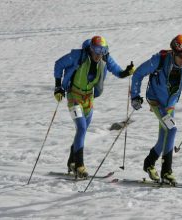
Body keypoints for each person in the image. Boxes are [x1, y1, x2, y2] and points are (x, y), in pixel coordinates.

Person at [130, 34, 182, 185]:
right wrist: (135, 96)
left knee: (164, 137)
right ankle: (167, 171)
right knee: (171, 129)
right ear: (174, 52)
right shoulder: (160, 59)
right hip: (156, 101)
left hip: (170, 104)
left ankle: (149, 163)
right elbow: (138, 73)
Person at [54, 36, 135, 178]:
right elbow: (58, 64)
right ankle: (79, 165)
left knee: (82, 131)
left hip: (88, 100)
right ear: (91, 49)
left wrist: (126, 72)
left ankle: (71, 162)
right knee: (81, 128)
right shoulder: (78, 56)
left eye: (103, 51)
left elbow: (117, 71)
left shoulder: (104, 58)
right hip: (74, 96)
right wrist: (58, 87)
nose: (99, 54)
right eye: (97, 50)